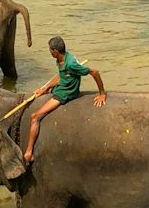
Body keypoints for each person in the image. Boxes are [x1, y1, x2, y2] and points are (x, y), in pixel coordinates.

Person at [22, 36, 105, 164]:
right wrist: (44, 89)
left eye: (50, 50)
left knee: (35, 117)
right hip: (62, 86)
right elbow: (60, 76)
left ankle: (29, 152)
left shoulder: (71, 64)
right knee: (41, 93)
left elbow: (94, 72)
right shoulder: (61, 59)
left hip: (66, 93)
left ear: (55, 51)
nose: (49, 52)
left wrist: (101, 93)